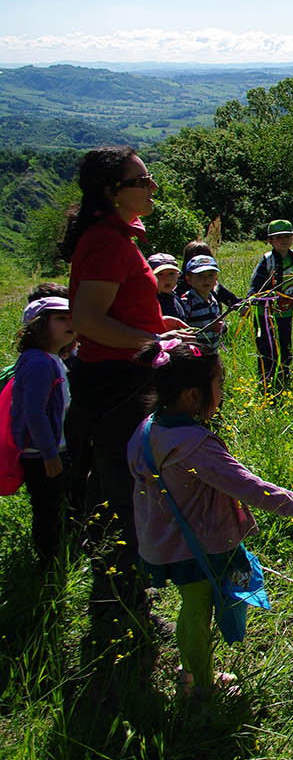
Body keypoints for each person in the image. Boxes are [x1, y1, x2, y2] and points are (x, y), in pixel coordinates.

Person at [127, 339, 293, 700]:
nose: (222, 391)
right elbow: (247, 486)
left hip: (161, 539)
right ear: (191, 395)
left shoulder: (148, 427)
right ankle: (200, 684)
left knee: (192, 604)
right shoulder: (194, 445)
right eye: (218, 385)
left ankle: (192, 673)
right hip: (194, 547)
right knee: (197, 611)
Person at [63, 146, 190, 644]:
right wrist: (151, 340)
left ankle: (120, 599)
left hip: (126, 377)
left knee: (126, 493)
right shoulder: (104, 242)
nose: (152, 187)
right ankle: (119, 610)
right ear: (112, 192)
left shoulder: (120, 237)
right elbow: (89, 321)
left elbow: (120, 311)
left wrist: (159, 324)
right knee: (125, 498)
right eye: (143, 180)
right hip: (116, 388)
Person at [11, 296, 75, 566]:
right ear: (38, 326)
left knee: (58, 504)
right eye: (61, 318)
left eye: (72, 317)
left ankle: (60, 551)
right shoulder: (38, 362)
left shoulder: (52, 358)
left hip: (52, 448)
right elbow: (34, 412)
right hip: (40, 452)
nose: (70, 322)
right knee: (47, 508)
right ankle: (48, 562)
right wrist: (49, 453)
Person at [246, 219, 293, 390]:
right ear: (270, 240)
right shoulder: (267, 261)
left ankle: (283, 377)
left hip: (286, 313)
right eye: (278, 237)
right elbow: (255, 286)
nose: (284, 240)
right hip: (265, 315)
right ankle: (266, 381)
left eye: (287, 236)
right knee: (267, 348)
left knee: (285, 347)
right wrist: (248, 303)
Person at [175, 241, 241, 312]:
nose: (205, 279)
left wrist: (243, 306)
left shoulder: (214, 286)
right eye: (200, 275)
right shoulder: (180, 288)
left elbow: (234, 302)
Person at [178, 255, 228, 349]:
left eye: (210, 275)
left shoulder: (213, 300)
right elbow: (183, 330)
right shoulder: (187, 301)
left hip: (212, 350)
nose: (206, 280)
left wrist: (222, 327)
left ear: (216, 278)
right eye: (200, 276)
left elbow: (218, 321)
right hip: (195, 352)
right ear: (189, 279)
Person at [148, 254, 184, 321]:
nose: (167, 279)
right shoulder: (149, 302)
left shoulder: (176, 298)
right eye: (160, 274)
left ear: (178, 275)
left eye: (171, 273)